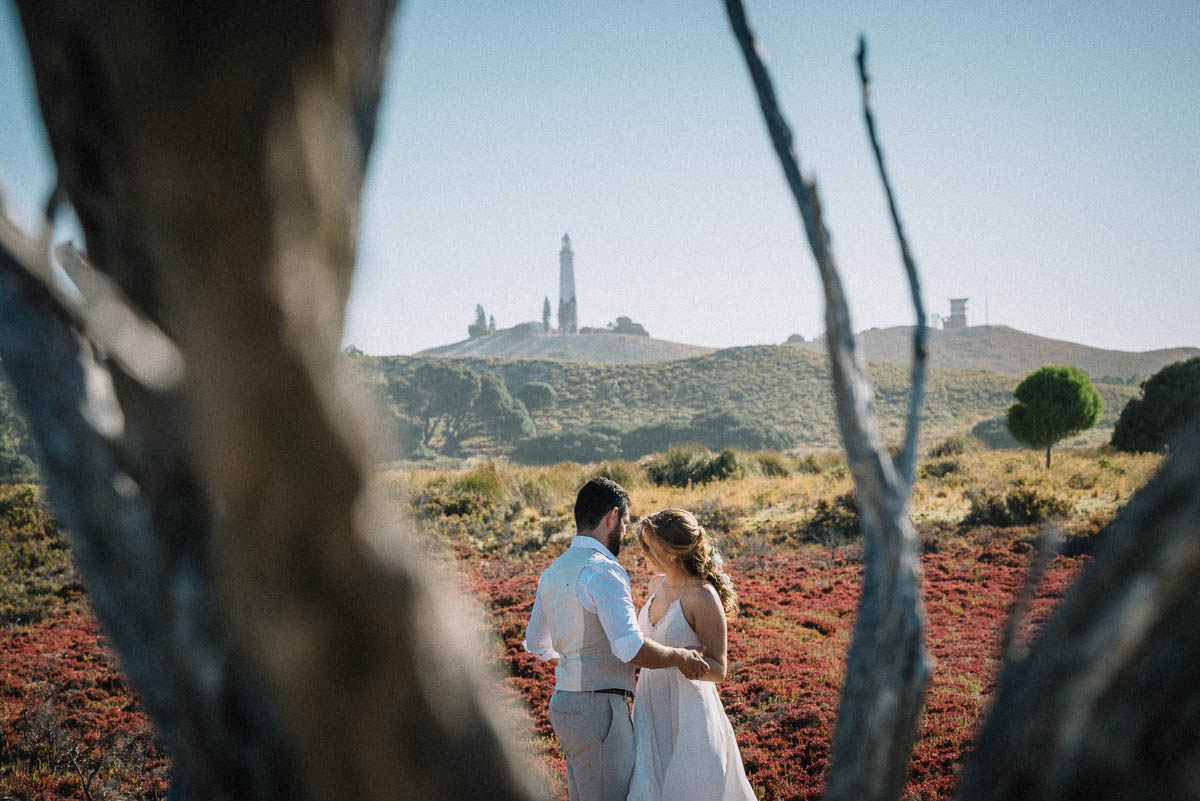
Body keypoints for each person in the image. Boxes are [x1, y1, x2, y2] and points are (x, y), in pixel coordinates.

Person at [524, 478, 709, 801]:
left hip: (564, 705)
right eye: (623, 522)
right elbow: (629, 648)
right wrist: (681, 656)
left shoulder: (554, 570)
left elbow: (536, 643)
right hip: (599, 711)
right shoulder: (604, 571)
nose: (623, 532)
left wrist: (580, 660)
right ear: (612, 517)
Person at [627, 508, 756, 801]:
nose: (643, 553)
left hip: (689, 709)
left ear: (671, 552)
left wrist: (684, 659)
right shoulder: (654, 585)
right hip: (649, 704)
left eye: (649, 546)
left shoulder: (702, 596)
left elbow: (719, 669)